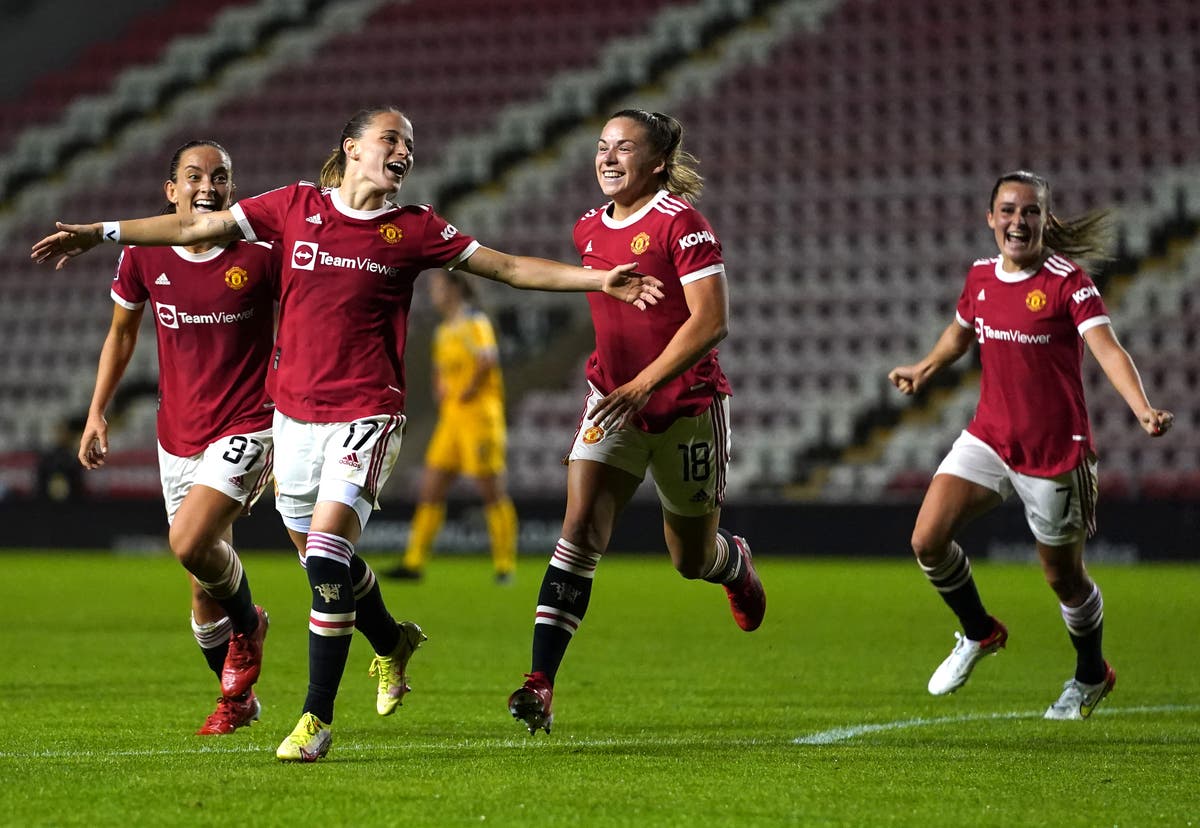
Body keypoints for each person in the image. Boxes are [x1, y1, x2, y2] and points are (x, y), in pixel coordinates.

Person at [34, 105, 663, 762]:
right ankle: (392, 642)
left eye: (410, 144)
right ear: (353, 149)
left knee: (328, 555)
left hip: (367, 414)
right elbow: (197, 226)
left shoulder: (416, 228)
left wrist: (599, 280)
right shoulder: (294, 208)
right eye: (392, 139)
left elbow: (505, 267)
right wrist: (100, 233)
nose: (405, 152)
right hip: (296, 418)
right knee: (320, 561)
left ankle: (316, 718)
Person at [506, 109, 766, 736]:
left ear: (655, 163)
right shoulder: (589, 229)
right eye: (601, 147)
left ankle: (731, 563)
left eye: (624, 148)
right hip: (611, 401)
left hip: (685, 411)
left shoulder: (685, 225)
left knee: (688, 558)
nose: (608, 157)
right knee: (578, 532)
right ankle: (540, 682)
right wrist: (622, 389)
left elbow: (711, 322)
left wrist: (647, 382)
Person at [887, 170, 1174, 720]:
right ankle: (979, 631)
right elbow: (961, 330)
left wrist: (1141, 408)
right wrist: (926, 367)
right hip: (990, 438)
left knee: (1063, 578)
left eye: (1030, 212)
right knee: (927, 539)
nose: (1018, 222)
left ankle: (1092, 673)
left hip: (1054, 454)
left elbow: (1107, 349)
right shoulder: (980, 277)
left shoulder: (1069, 282)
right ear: (991, 218)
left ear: (1045, 219)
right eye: (1008, 211)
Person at [77, 140, 280, 735]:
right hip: (178, 435)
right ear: (171, 191)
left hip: (248, 422)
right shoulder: (144, 254)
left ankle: (252, 625)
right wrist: (97, 411)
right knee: (200, 594)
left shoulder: (261, 256)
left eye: (220, 176)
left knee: (188, 541)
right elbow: (120, 334)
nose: (207, 186)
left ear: (232, 190)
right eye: (193, 176)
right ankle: (237, 700)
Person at [383, 269, 518, 584]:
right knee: (431, 486)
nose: (434, 294)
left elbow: (487, 361)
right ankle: (413, 562)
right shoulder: (443, 330)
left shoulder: (475, 323)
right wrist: (440, 387)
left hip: (479, 417)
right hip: (451, 418)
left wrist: (467, 389)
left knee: (490, 490)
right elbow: (440, 371)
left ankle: (504, 565)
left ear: (455, 289)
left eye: (438, 287)